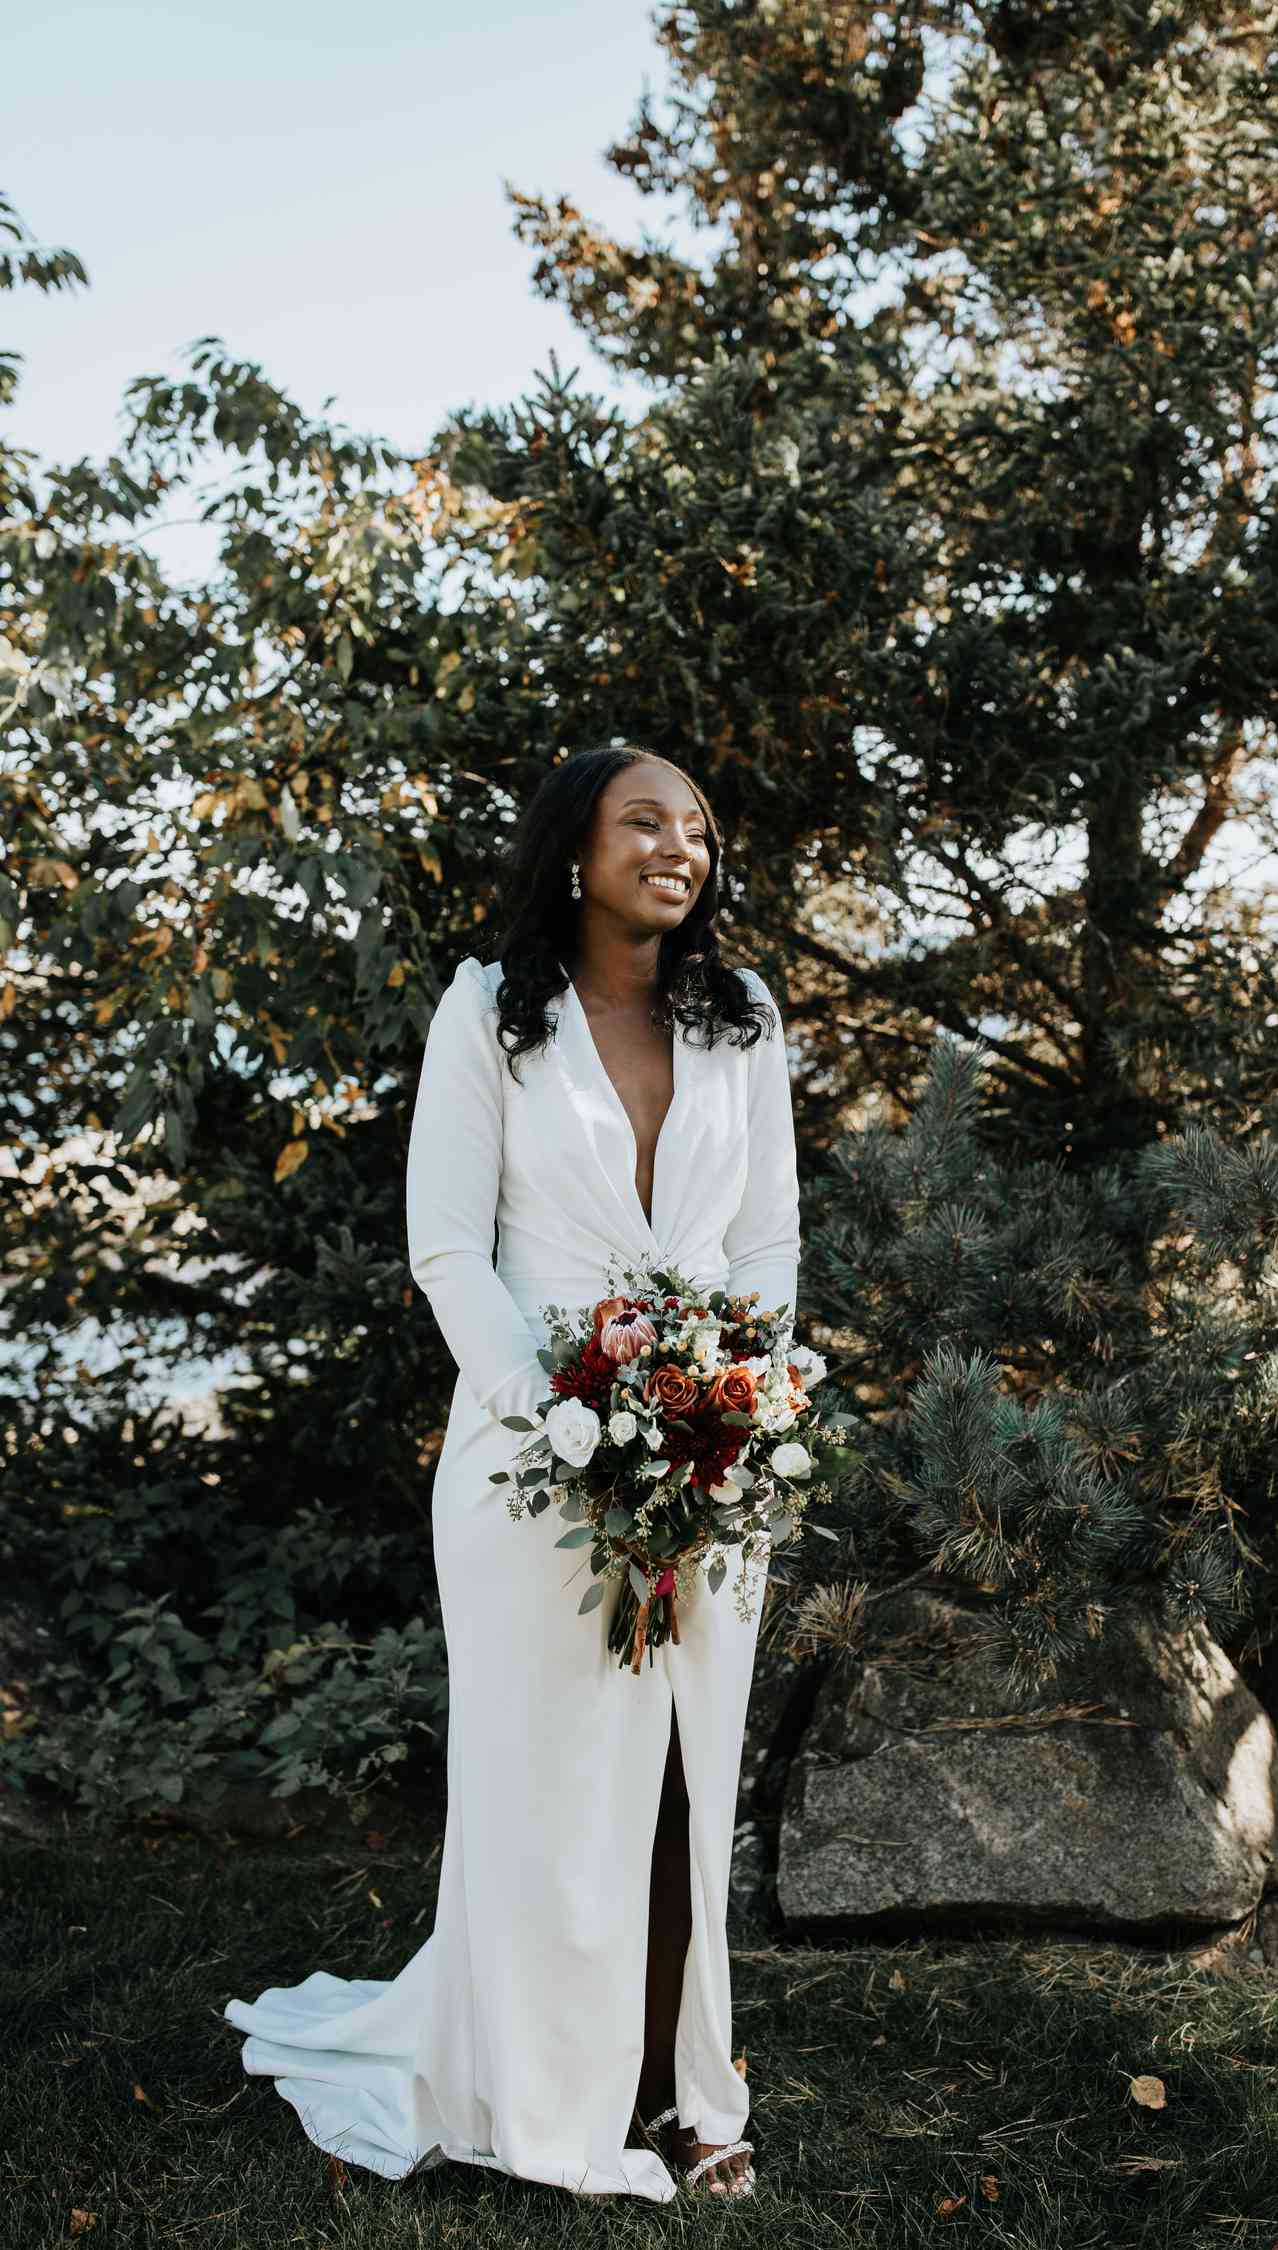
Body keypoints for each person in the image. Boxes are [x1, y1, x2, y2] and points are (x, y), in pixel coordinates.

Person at [223, 746, 801, 2203]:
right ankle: (551, 2088)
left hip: (711, 1465)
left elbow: (773, 1242)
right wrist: (570, 1410)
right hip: (530, 1467)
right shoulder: (490, 1012)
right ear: (572, 848)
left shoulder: (743, 1019)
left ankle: (687, 2093)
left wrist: (729, 1391)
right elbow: (447, 1250)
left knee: (683, 1783)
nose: (681, 846)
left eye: (700, 830)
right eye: (645, 820)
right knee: (550, 1791)